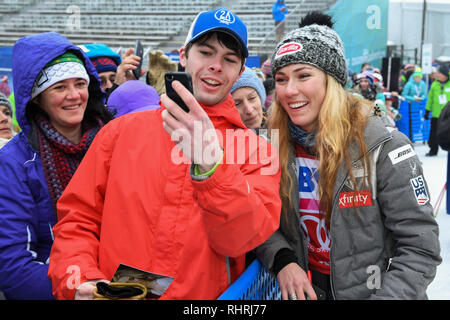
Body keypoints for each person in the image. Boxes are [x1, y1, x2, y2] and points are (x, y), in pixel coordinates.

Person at [47, 8, 281, 300]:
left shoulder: (259, 150)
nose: (216, 66)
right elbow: (76, 221)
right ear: (184, 55)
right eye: (206, 52)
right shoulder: (119, 133)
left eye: (229, 59)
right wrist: (81, 279)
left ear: (240, 71)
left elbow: (242, 238)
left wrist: (212, 167)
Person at [254, 12, 440, 300]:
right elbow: (257, 220)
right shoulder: (270, 143)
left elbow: (420, 247)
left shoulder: (384, 146)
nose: (290, 91)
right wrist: (283, 259)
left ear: (333, 82)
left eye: (304, 75)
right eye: (280, 79)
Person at [0, 32, 113, 300]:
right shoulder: (14, 162)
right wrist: (75, 291)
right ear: (36, 97)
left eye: (79, 83)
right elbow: (13, 263)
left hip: (120, 284)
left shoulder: (112, 141)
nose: (74, 96)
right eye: (59, 87)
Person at [424, 64, 450, 156]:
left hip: (448, 115)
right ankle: (433, 150)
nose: (437, 74)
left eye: (439, 73)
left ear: (445, 74)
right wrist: (427, 110)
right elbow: (430, 98)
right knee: (433, 133)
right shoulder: (434, 84)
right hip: (436, 114)